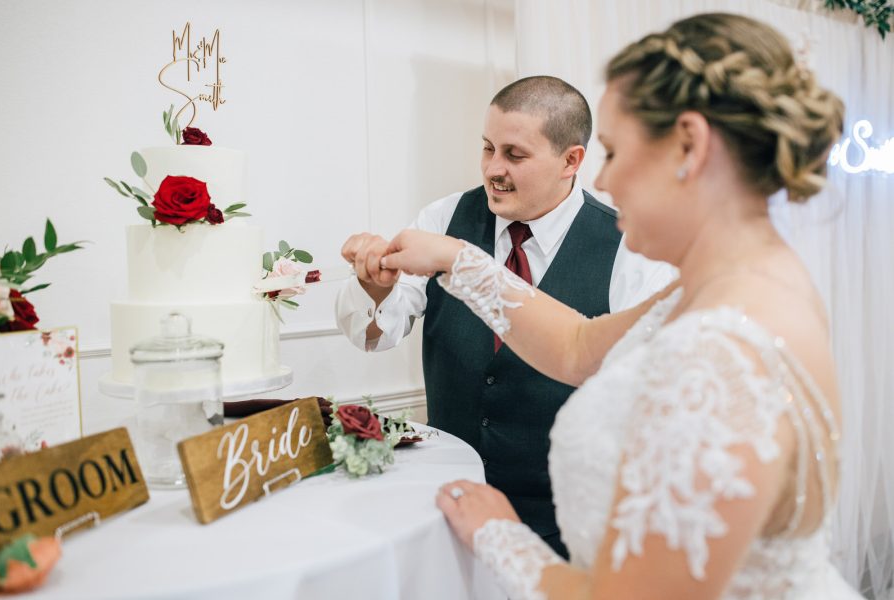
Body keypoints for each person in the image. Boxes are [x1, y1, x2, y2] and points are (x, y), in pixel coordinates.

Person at [379, 13, 861, 600]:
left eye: (613, 151)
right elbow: (579, 347)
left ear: (690, 146)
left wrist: (500, 536)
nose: (602, 182)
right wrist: (460, 259)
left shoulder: (721, 352)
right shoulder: (730, 283)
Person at [336, 76, 675, 558]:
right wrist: (375, 282)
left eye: (515, 155)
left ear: (571, 161)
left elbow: (635, 376)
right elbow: (374, 334)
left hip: (566, 528)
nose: (493, 169)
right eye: (488, 148)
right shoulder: (443, 217)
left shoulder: (627, 244)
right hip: (448, 512)